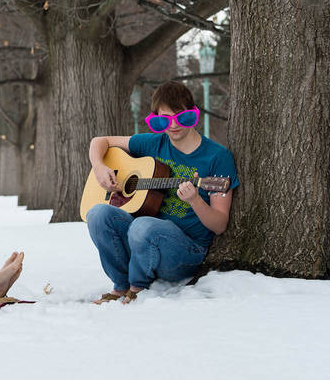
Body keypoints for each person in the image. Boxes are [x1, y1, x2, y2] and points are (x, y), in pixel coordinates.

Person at [85, 80, 239, 304]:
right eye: (163, 120)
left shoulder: (217, 157)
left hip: (183, 253)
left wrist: (195, 200)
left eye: (182, 117)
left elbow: (219, 224)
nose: (173, 125)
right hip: (142, 245)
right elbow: (100, 141)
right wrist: (99, 166)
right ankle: (120, 287)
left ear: (193, 114)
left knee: (143, 224)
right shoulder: (154, 143)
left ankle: (137, 289)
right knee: (98, 214)